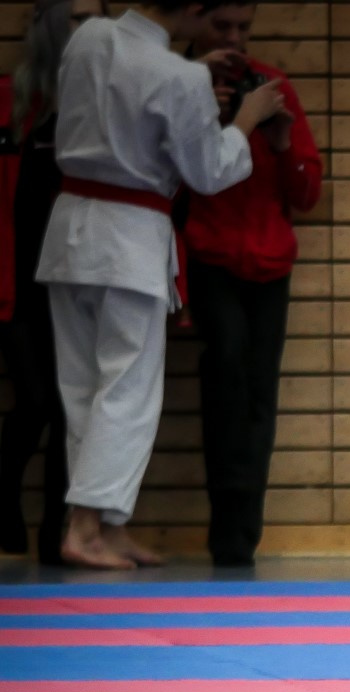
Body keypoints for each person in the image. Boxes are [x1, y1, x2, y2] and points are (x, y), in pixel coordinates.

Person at [37, 0, 283, 570]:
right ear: (193, 8)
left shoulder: (90, 38)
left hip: (71, 229)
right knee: (127, 390)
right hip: (128, 238)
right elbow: (209, 172)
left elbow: (117, 93)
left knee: (83, 387)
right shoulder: (180, 76)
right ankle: (85, 528)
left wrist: (191, 77)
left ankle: (108, 526)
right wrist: (245, 120)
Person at [182, 0, 321, 566]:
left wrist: (282, 143)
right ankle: (227, 524)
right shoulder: (179, 83)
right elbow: (163, 180)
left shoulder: (271, 87)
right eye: (222, 27)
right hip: (209, 255)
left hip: (269, 261)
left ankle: (243, 535)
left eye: (244, 28)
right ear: (197, 22)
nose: (235, 39)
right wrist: (203, 114)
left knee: (259, 392)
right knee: (227, 376)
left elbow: (307, 194)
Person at [0, 0, 108, 564]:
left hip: (74, 277)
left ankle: (56, 535)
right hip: (15, 279)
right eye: (76, 17)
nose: (87, 29)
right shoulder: (12, 100)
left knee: (71, 408)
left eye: (97, 17)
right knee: (36, 401)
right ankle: (5, 500)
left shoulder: (104, 101)